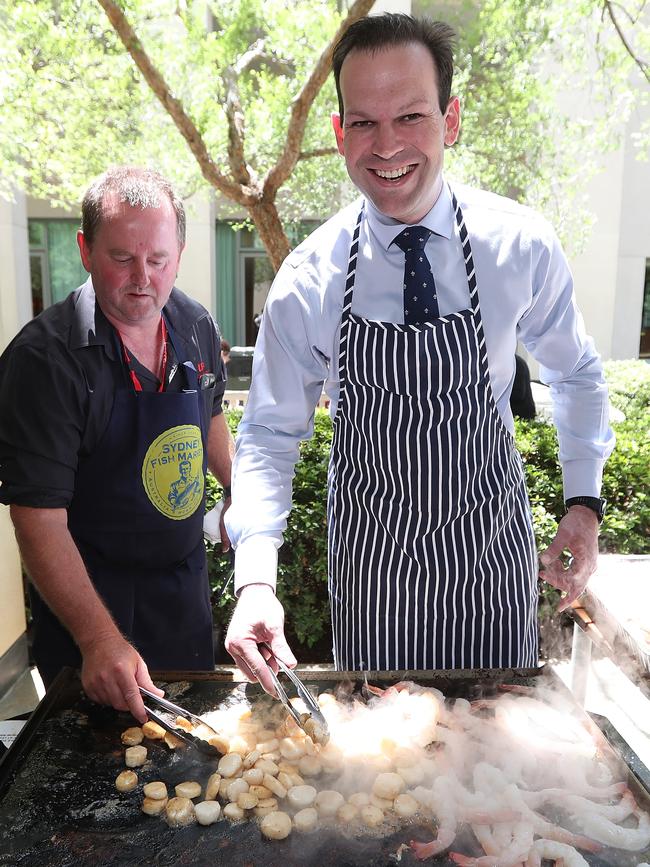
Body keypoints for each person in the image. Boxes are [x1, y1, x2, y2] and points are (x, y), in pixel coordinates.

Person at [224, 14, 614, 690]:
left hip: (490, 563)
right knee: (384, 774)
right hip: (374, 576)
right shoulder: (309, 279)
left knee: (497, 768)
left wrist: (583, 503)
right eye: (365, 123)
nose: (387, 146)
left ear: (450, 119)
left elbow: (574, 371)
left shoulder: (517, 245)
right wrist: (257, 576)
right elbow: (266, 433)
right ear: (339, 134)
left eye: (409, 117)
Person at [0, 167, 234, 722]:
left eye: (158, 260)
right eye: (121, 258)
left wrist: (237, 492)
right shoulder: (43, 362)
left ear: (179, 250)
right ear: (84, 249)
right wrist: (98, 641)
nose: (142, 279)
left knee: (194, 769)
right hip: (89, 606)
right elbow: (37, 519)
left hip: (181, 592)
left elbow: (212, 414)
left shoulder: (194, 322)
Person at [510, 353, 537, 420]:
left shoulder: (515, 362)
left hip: (521, 415)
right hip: (522, 413)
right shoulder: (515, 360)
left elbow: (518, 393)